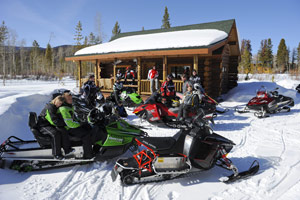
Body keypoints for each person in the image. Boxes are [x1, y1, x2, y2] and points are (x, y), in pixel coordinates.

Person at [59, 92, 94, 159]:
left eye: (71, 99)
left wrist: (81, 122)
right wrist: (79, 124)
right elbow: (69, 123)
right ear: (64, 100)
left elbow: (73, 117)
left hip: (72, 126)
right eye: (69, 99)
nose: (71, 100)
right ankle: (88, 155)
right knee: (86, 135)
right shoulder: (64, 109)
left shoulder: (68, 106)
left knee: (89, 127)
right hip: (68, 128)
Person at [38, 95, 73, 160]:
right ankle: (56, 154)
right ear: (55, 100)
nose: (59, 105)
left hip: (49, 124)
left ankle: (67, 149)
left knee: (62, 130)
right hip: (43, 125)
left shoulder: (54, 106)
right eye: (59, 102)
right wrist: (64, 123)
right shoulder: (50, 107)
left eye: (61, 103)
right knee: (55, 134)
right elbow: (53, 121)